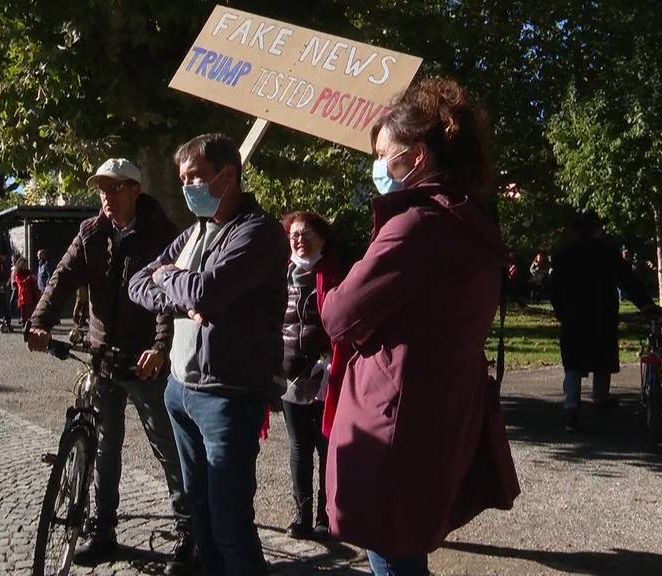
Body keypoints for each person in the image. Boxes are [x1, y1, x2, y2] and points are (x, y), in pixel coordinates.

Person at [319, 78, 520, 576]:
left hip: (394, 421)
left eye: (385, 155)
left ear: (419, 156)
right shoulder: (470, 221)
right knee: (407, 549)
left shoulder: (414, 226)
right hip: (436, 415)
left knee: (392, 554)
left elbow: (339, 315)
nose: (378, 168)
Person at [129, 134, 288, 576]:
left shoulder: (258, 231)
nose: (188, 187)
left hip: (228, 396)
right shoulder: (196, 232)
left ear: (229, 174)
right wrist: (177, 286)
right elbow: (138, 283)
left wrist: (173, 281)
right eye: (183, 179)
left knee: (231, 525)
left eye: (196, 177)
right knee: (199, 519)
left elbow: (208, 291)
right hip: (180, 389)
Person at [27, 158, 193, 574]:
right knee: (104, 447)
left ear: (135, 189)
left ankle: (190, 533)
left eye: (115, 188)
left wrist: (160, 346)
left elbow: (165, 296)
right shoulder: (92, 232)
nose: (106, 196)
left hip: (145, 362)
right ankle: (102, 530)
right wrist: (40, 321)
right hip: (104, 357)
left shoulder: (160, 235)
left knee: (166, 448)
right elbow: (62, 277)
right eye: (102, 189)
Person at [550, 213, 660, 432]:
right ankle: (600, 401)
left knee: (572, 365)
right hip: (602, 316)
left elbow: (554, 288)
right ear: (596, 230)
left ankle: (571, 407)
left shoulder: (564, 255)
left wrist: (560, 311)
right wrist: (646, 305)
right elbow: (627, 280)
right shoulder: (607, 253)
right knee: (601, 361)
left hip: (573, 318)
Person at [278, 211, 347, 541]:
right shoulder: (281, 274)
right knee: (298, 446)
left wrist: (332, 362)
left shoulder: (334, 274)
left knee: (325, 445)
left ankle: (325, 515)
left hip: (325, 376)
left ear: (322, 238)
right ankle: (302, 515)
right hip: (289, 375)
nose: (299, 240)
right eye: (293, 235)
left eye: (305, 234)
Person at [13, 258, 40, 324]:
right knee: (23, 310)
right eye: (24, 264)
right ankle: (24, 322)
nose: (25, 265)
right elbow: (20, 282)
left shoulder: (28, 272)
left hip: (30, 293)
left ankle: (32, 321)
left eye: (26, 264)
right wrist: (28, 279)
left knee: (31, 309)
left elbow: (33, 281)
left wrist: (34, 278)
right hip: (23, 293)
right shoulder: (18, 273)